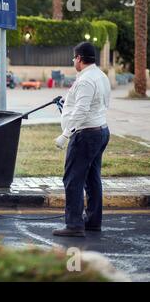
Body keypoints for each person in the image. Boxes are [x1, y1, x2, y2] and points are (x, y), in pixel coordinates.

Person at [53, 42, 111, 237]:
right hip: (100, 131)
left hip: (85, 135)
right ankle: (93, 222)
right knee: (92, 178)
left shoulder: (86, 80)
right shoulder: (101, 76)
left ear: (79, 58)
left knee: (73, 179)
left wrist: (65, 134)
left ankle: (74, 225)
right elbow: (101, 103)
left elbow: (82, 110)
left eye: (74, 58)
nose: (73, 61)